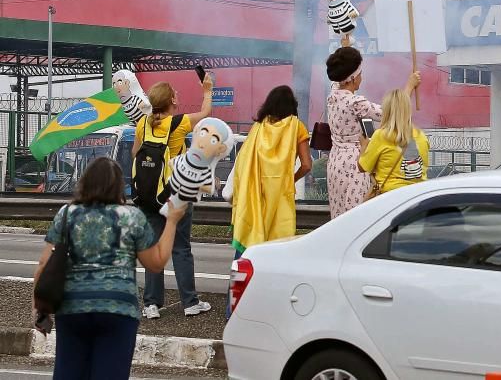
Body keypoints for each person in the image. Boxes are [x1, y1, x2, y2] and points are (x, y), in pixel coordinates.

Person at [33, 158, 186, 380]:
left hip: (73, 309)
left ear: (84, 183)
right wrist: (172, 221)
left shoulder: (67, 214)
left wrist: (39, 311)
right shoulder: (132, 217)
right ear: (117, 186)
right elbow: (156, 263)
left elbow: (43, 266)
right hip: (118, 311)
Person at [131, 76, 214, 319]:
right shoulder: (179, 123)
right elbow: (206, 112)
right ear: (172, 101)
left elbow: (136, 153)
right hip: (177, 193)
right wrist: (207, 89)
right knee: (180, 248)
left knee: (154, 246)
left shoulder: (142, 124)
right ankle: (189, 302)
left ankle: (151, 305)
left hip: (148, 195)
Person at [325, 47, 420, 218]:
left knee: (338, 215)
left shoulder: (332, 95)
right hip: (355, 163)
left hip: (335, 162)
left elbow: (338, 77)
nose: (362, 77)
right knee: (356, 215)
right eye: (360, 73)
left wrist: (346, 45)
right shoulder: (356, 102)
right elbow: (392, 111)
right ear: (352, 78)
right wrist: (410, 85)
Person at [227, 86, 313, 254]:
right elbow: (307, 165)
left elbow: (244, 160)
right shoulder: (297, 127)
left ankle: (240, 277)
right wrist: (291, 179)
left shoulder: (258, 127)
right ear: (292, 105)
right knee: (279, 240)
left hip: (255, 191)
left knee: (250, 236)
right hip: (281, 193)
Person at [358, 88, 429, 193]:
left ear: (387, 111)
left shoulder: (382, 136)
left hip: (391, 198)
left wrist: (364, 146)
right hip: (417, 198)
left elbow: (362, 167)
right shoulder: (422, 136)